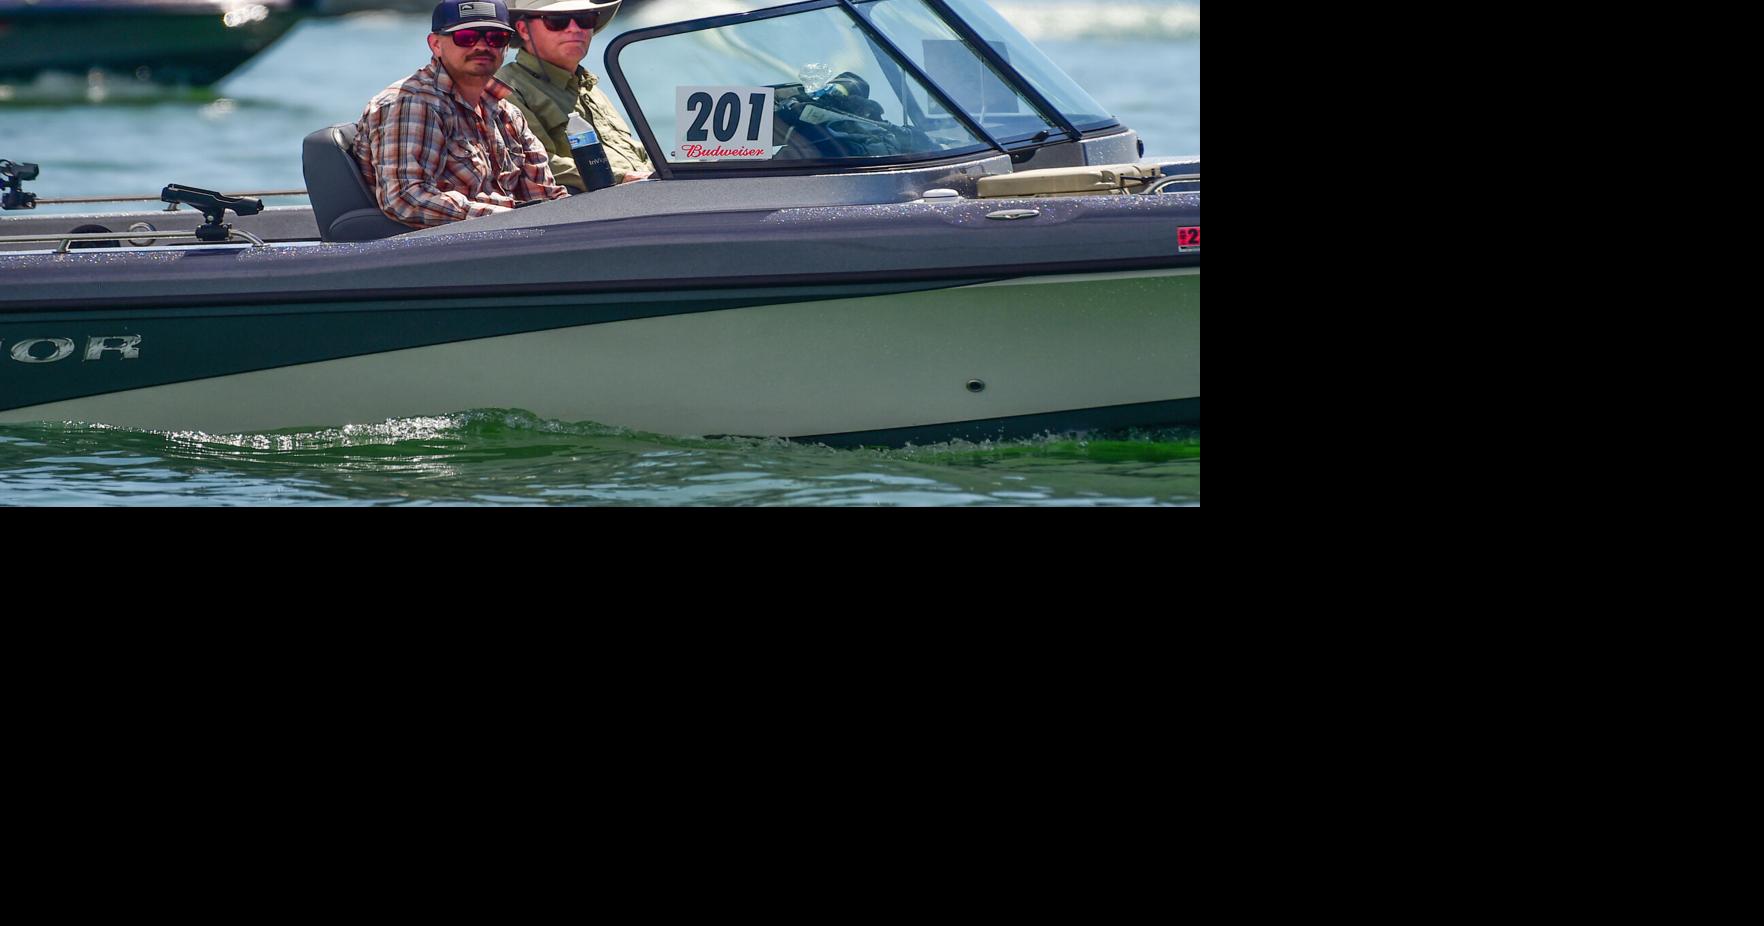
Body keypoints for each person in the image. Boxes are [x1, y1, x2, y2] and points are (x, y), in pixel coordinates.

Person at [354, 0, 570, 227]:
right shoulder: (411, 102)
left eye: (496, 38)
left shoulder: (508, 113)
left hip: (509, 239)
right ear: (435, 44)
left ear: (506, 46)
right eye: (466, 37)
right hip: (444, 251)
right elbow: (406, 199)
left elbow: (544, 195)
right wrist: (509, 218)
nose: (482, 46)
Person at [496, 0, 652, 192]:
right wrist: (622, 178)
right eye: (557, 21)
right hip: (595, 213)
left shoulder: (588, 87)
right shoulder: (505, 90)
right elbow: (536, 165)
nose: (574, 29)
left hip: (644, 198)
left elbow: (632, 152)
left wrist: (666, 169)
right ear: (524, 30)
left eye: (584, 19)